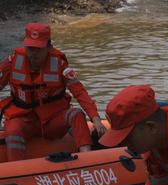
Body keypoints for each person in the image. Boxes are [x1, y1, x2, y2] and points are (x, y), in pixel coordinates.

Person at [0, 23, 106, 160]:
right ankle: (16, 172)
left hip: (52, 121)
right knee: (13, 129)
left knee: (76, 114)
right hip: (24, 120)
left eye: (38, 49)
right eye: (30, 48)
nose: (33, 54)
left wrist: (95, 119)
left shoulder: (60, 65)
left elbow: (79, 92)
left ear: (49, 47)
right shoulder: (12, 62)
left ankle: (87, 160)